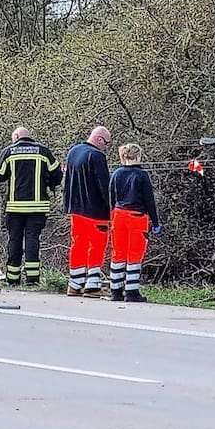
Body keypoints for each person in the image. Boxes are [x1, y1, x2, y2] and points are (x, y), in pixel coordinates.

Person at [0, 127, 62, 286]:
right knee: (33, 240)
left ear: (16, 136)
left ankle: (13, 279)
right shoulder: (44, 152)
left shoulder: (9, 152)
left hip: (15, 206)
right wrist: (47, 182)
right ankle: (33, 280)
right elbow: (57, 175)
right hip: (38, 207)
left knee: (14, 240)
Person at [108, 143, 161, 302]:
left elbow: (111, 196)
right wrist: (155, 222)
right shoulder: (142, 175)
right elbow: (149, 200)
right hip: (137, 216)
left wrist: (112, 214)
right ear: (138, 156)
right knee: (134, 254)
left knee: (118, 252)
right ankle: (131, 291)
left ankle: (115, 290)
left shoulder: (116, 174)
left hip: (118, 215)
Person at [63, 126, 112, 297]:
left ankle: (74, 283)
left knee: (78, 244)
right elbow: (105, 186)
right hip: (96, 210)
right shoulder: (97, 156)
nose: (106, 147)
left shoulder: (73, 152)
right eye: (106, 143)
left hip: (75, 209)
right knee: (97, 246)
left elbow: (67, 181)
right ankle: (92, 284)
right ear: (99, 139)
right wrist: (112, 207)